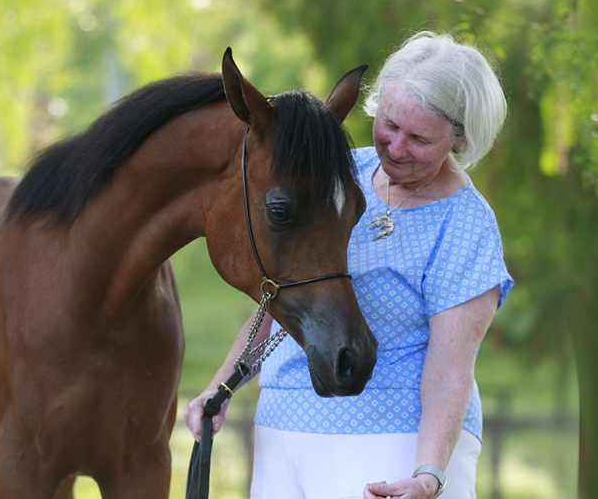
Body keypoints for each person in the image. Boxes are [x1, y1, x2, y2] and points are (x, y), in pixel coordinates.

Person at [184, 31, 514, 499]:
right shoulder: (338, 173)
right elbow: (281, 293)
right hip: (282, 430)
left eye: (419, 138)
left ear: (460, 139)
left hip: (392, 441)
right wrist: (219, 389)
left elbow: (449, 373)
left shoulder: (465, 224)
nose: (396, 147)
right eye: (390, 125)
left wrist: (427, 475)